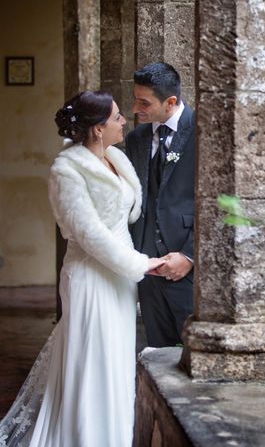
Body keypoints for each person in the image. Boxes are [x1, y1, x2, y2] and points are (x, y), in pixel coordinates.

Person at [0, 91, 165, 447]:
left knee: (117, 361)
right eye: (117, 117)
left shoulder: (116, 158)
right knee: (93, 363)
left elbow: (128, 213)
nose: (124, 122)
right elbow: (89, 233)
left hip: (120, 279)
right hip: (91, 276)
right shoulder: (66, 171)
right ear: (97, 129)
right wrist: (141, 263)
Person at [126, 62, 195, 348]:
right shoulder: (136, 138)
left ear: (170, 102)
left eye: (144, 102)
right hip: (147, 269)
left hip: (189, 270)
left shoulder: (204, 132)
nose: (134, 109)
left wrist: (190, 257)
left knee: (197, 354)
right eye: (135, 99)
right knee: (157, 353)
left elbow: (220, 204)